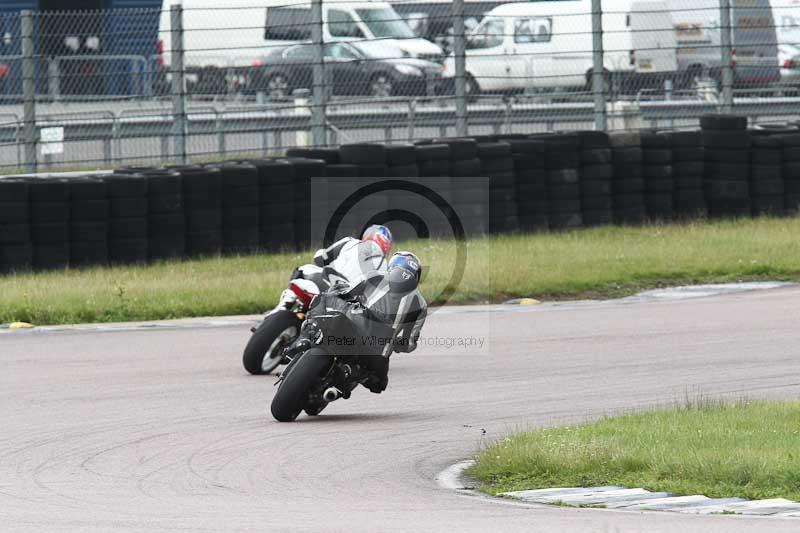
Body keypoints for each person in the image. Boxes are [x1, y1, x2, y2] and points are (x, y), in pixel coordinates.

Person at [275, 225, 394, 312]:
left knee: (303, 269)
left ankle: (282, 308)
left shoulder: (350, 242)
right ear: (387, 246)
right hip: (348, 305)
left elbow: (320, 258)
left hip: (326, 283)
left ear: (367, 235)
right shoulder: (386, 268)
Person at [358, 251, 427, 394]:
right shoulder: (420, 304)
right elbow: (408, 344)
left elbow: (347, 292)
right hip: (379, 351)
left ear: (391, 265)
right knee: (379, 384)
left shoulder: (374, 275)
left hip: (353, 327)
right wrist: (398, 344)